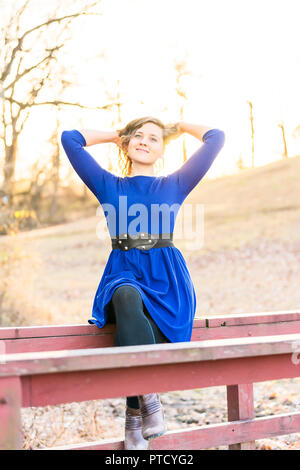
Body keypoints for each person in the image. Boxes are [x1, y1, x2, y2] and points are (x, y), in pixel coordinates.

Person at [61, 116, 225, 450]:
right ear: (127, 144)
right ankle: (150, 400)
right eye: (137, 137)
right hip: (123, 271)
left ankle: (133, 415)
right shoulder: (109, 185)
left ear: (162, 149)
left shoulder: (174, 184)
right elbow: (69, 139)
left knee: (133, 333)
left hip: (167, 281)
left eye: (153, 138)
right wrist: (114, 135)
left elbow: (216, 137)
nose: (144, 142)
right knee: (124, 295)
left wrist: (179, 127)